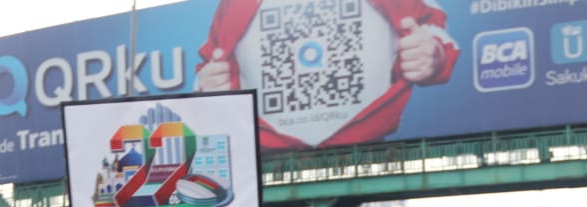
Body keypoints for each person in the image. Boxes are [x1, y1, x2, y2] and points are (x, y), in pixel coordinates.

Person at [195, 0, 458, 149]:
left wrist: (432, 53)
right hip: (267, 153)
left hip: (369, 139)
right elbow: (210, 64)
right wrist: (208, 89)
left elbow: (433, 28)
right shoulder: (233, 5)